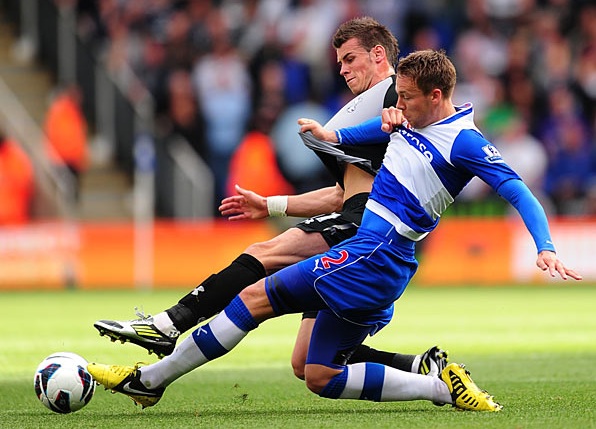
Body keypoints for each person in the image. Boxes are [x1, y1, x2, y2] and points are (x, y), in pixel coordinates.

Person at [88, 49, 582, 411]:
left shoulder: (465, 142)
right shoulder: (413, 119)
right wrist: (334, 137)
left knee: (255, 297)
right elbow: (384, 130)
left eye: (407, 97)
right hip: (385, 261)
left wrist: (546, 247)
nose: (398, 105)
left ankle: (149, 380)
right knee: (318, 373)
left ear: (437, 96)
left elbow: (519, 191)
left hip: (374, 251)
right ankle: (439, 384)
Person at [94, 17, 446, 382]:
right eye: (339, 61)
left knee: (265, 255)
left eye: (349, 59)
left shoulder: (393, 95)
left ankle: (169, 325)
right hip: (360, 220)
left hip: (367, 225)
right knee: (308, 363)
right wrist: (271, 205)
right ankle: (423, 368)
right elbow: (341, 194)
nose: (341, 69)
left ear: (377, 54)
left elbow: (427, 122)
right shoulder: (365, 111)